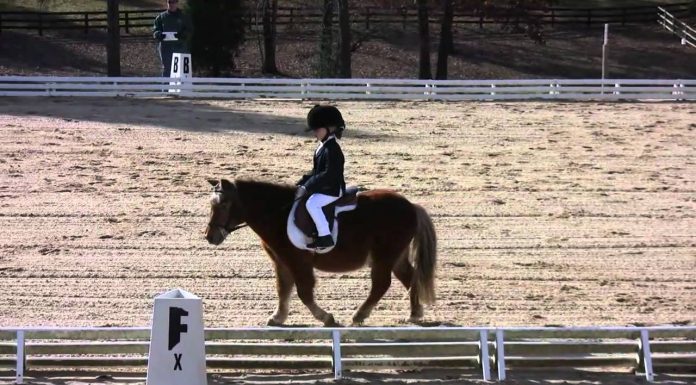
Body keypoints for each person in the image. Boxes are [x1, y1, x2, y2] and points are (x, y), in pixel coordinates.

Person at [296, 105, 347, 249]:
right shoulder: (322, 146)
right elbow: (315, 171)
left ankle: (325, 236)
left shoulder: (332, 149)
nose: (314, 133)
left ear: (329, 128)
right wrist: (301, 183)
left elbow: (328, 174)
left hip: (333, 189)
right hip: (325, 187)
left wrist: (308, 186)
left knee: (312, 203)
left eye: (317, 129)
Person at [152, 0, 191, 77]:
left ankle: (181, 88)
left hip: (180, 46)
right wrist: (159, 34)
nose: (171, 4)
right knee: (167, 69)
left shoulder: (184, 16)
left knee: (181, 69)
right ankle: (166, 88)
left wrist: (182, 35)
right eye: (169, 2)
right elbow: (155, 30)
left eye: (173, 2)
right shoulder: (161, 17)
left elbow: (189, 29)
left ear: (177, 3)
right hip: (166, 47)